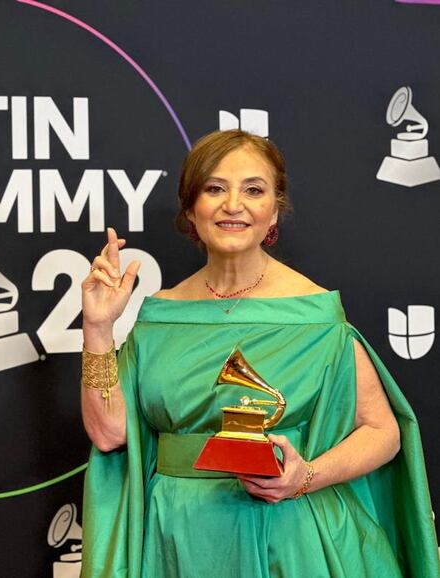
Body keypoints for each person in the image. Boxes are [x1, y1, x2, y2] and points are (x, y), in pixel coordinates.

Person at [79, 130, 440, 577]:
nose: (234, 205)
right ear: (191, 208)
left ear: (274, 211)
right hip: (178, 540)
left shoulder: (314, 315)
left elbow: (382, 431)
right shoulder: (159, 316)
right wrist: (98, 327)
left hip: (289, 538)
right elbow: (109, 433)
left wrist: (306, 476)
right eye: (215, 188)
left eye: (253, 190)